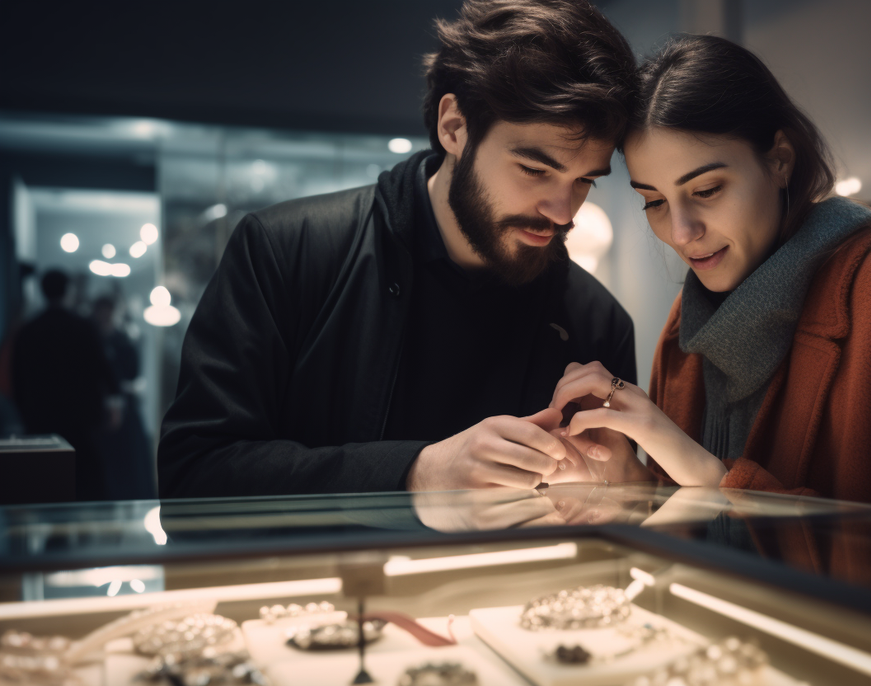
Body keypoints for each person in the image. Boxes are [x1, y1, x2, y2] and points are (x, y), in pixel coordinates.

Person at [158, 0, 638, 498]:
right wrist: (415, 475)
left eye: (584, 180)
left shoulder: (597, 322)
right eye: (535, 170)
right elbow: (192, 476)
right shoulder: (283, 252)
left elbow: (605, 516)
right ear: (454, 127)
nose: (563, 212)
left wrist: (612, 491)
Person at [549, 35, 871, 516]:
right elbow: (686, 532)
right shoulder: (684, 327)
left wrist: (717, 481)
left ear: (779, 161)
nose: (680, 232)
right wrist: (630, 483)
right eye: (653, 201)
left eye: (708, 189)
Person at [12, 269, 121, 501]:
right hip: (81, 419)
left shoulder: (29, 331)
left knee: (43, 487)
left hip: (40, 420)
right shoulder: (83, 327)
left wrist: (24, 412)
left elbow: (17, 379)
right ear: (68, 291)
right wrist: (113, 403)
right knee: (86, 483)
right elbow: (103, 369)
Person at [92, 296, 156, 499]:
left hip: (123, 412)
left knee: (127, 461)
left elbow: (133, 373)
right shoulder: (91, 340)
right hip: (97, 413)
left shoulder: (123, 340)